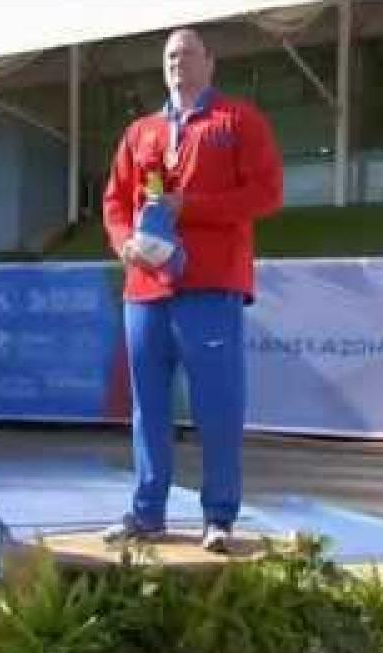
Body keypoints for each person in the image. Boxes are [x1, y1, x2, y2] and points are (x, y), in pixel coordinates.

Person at [100, 27, 283, 553]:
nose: (178, 61)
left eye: (188, 53)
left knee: (218, 407)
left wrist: (191, 206)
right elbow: (115, 202)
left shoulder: (239, 120)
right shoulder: (141, 132)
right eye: (170, 55)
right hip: (145, 288)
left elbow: (267, 194)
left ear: (210, 62)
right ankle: (147, 512)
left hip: (211, 285)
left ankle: (220, 516)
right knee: (148, 406)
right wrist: (123, 245)